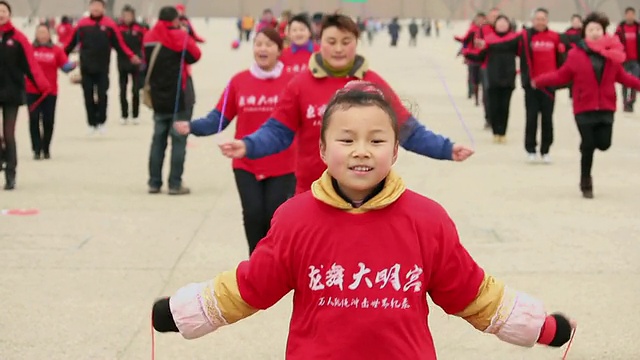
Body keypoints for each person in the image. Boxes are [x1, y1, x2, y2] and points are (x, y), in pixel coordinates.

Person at [151, 83, 576, 358]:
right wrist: (180, 313)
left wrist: (545, 328)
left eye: (376, 140)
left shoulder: (426, 220)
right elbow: (251, 285)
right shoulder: (295, 219)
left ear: (394, 152)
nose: (361, 150)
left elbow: (474, 294)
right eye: (346, 139)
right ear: (321, 149)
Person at [218, 14, 474, 195]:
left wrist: (447, 149)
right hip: (312, 192)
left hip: (366, 194)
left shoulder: (373, 84)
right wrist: (247, 145)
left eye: (346, 41)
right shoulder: (300, 85)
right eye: (331, 42)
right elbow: (277, 131)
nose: (338, 49)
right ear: (321, 43)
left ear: (356, 43)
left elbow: (408, 130)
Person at [175, 28, 295, 254]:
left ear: (279, 50)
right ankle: (256, 264)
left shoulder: (292, 83)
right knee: (253, 214)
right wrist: (191, 126)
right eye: (258, 44)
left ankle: (275, 264)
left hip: (283, 164)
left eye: (269, 44)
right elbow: (218, 118)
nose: (262, 49)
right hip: (245, 161)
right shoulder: (239, 81)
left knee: (274, 216)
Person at [532, 12, 640, 199]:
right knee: (588, 145)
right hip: (584, 107)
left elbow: (623, 77)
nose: (595, 33)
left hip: (606, 107)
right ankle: (585, 182)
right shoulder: (575, 55)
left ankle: (587, 148)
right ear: (585, 33)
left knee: (604, 144)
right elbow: (561, 75)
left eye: (598, 29)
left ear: (604, 31)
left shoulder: (612, 54)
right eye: (591, 30)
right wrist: (540, 80)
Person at [143, 6, 201, 195]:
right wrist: (185, 33)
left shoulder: (149, 36)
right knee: (178, 140)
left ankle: (154, 182)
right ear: (175, 20)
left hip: (158, 97)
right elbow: (195, 56)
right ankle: (175, 183)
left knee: (158, 139)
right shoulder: (180, 36)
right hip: (179, 97)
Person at [63, 0, 141, 135]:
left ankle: (102, 122)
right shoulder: (82, 24)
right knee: (88, 96)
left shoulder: (109, 25)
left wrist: (131, 56)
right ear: (89, 7)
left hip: (103, 67)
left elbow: (120, 45)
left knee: (102, 95)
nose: (96, 8)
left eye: (99, 6)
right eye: (93, 5)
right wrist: (61, 59)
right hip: (86, 67)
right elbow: (69, 45)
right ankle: (91, 123)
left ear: (103, 8)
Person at [0, 0, 50, 190]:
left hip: (12, 92)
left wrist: (42, 85)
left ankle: (10, 174)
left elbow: (30, 65)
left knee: (9, 134)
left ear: (9, 14)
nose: (0, 14)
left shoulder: (18, 38)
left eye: (3, 11)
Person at [464, 15, 517, 143]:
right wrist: (467, 53)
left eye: (505, 23)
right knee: (493, 106)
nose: (502, 25)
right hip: (493, 78)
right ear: (495, 25)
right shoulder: (489, 40)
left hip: (508, 78)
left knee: (505, 107)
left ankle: (502, 133)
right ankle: (495, 132)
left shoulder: (514, 40)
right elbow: (480, 57)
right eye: (500, 23)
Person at [26, 24, 75, 160]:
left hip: (50, 92)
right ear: (35, 34)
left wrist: (73, 65)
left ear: (49, 34)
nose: (42, 35)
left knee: (48, 120)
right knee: (34, 120)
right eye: (39, 32)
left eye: (44, 32)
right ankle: (36, 149)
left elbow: (65, 66)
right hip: (32, 90)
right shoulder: (29, 49)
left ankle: (46, 147)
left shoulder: (56, 50)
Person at [117, 5, 146, 125]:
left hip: (137, 62)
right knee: (123, 90)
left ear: (133, 16)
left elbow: (145, 44)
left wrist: (143, 59)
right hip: (122, 62)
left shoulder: (140, 28)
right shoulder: (118, 28)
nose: (127, 17)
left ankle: (135, 115)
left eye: (129, 15)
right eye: (125, 15)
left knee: (135, 90)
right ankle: (124, 115)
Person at [615, 7, 640, 112]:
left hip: (636, 61)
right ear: (625, 15)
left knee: (635, 81)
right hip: (624, 61)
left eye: (632, 14)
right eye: (628, 14)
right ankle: (625, 102)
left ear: (634, 15)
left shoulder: (638, 28)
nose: (630, 16)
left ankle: (631, 102)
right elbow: (614, 43)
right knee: (625, 83)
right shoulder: (620, 28)